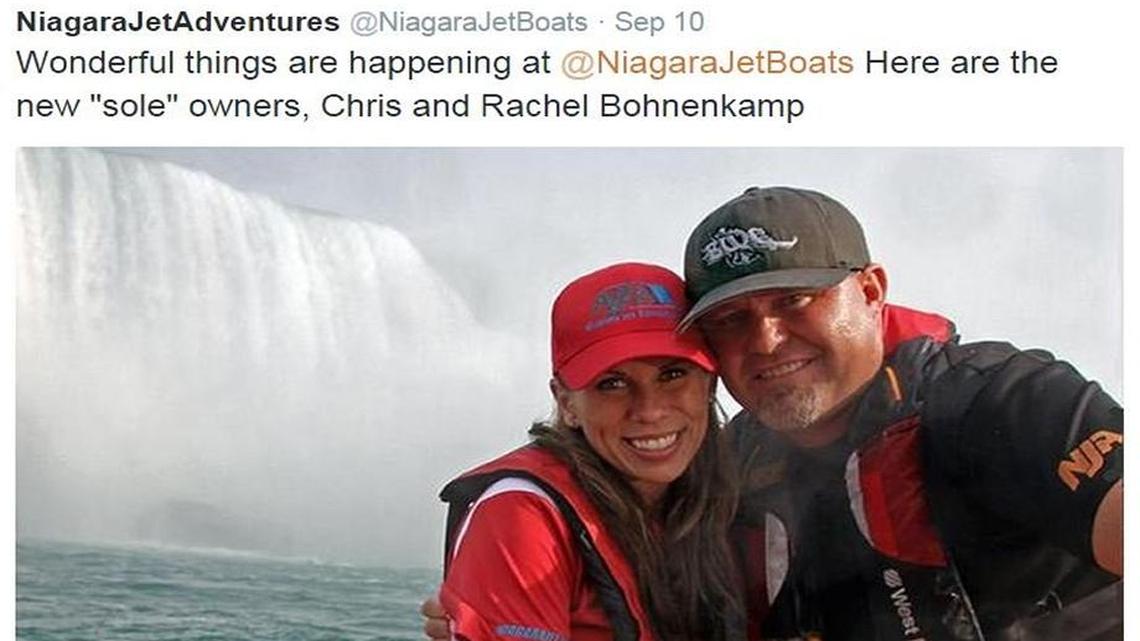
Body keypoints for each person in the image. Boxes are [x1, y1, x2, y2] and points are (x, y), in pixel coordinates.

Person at [426, 187, 1123, 641]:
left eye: (795, 300)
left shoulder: (998, 400)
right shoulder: (731, 466)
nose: (765, 340)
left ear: (872, 289)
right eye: (731, 319)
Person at [436, 262, 742, 641]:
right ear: (566, 402)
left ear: (710, 383)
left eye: (673, 374)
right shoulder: (521, 513)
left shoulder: (729, 487)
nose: (649, 410)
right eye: (612, 383)